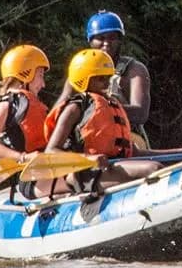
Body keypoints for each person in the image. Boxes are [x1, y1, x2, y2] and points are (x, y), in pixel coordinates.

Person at [45, 48, 164, 187]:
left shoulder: (110, 106)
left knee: (161, 165)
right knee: (154, 169)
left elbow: (135, 152)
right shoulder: (74, 109)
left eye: (109, 78)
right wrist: (88, 158)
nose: (107, 84)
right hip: (85, 172)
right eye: (101, 79)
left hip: (112, 166)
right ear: (84, 80)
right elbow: (51, 151)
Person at [84, 11, 153, 149]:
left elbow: (140, 113)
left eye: (112, 37)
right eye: (100, 38)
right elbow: (62, 105)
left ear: (120, 40)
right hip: (90, 139)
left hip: (128, 141)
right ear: (90, 41)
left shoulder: (134, 70)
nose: (106, 43)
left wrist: (102, 110)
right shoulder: (80, 69)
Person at [0, 44, 52, 164]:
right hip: (24, 177)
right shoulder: (8, 104)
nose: (43, 84)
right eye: (40, 75)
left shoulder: (26, 104)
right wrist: (23, 157)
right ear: (26, 73)